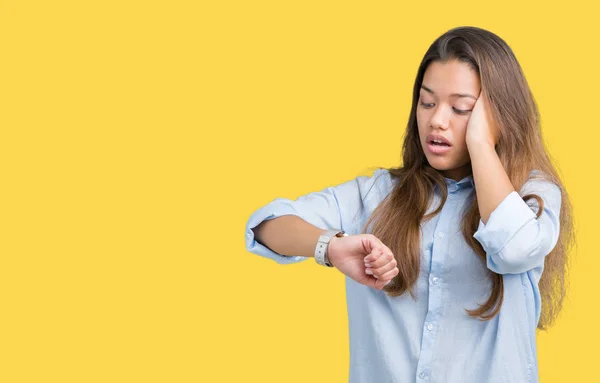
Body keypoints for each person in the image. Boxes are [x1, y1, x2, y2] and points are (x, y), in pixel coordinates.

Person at [244, 26, 575, 383]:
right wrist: (331, 246)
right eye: (427, 102)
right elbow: (266, 225)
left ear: (496, 118)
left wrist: (480, 144)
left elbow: (514, 250)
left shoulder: (533, 197)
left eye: (461, 108)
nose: (437, 120)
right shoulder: (378, 194)